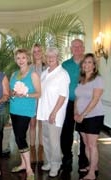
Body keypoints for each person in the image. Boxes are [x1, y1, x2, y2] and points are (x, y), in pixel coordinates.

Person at [36, 47, 70, 177]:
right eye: (48, 56)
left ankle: (56, 164)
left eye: (53, 56)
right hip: (44, 112)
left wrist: (54, 113)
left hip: (55, 114)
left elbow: (63, 96)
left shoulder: (62, 74)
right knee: (46, 139)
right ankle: (49, 161)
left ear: (58, 57)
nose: (50, 58)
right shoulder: (45, 73)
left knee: (54, 141)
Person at [10, 48, 41, 180]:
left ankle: (29, 169)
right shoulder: (14, 74)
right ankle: (23, 164)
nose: (21, 60)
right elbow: (11, 90)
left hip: (26, 110)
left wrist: (26, 94)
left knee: (20, 138)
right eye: (18, 58)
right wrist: (12, 93)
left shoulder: (33, 74)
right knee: (18, 137)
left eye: (23, 57)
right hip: (14, 109)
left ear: (28, 59)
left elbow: (39, 93)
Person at [74, 53, 104, 180]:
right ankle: (94, 166)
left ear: (94, 65)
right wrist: (76, 113)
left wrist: (83, 115)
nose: (86, 64)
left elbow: (95, 99)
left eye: (90, 62)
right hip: (80, 116)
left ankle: (91, 173)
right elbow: (77, 98)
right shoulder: (81, 80)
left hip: (93, 116)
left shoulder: (98, 79)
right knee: (86, 144)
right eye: (85, 62)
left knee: (92, 145)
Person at [61, 39, 88, 172]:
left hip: (85, 104)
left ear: (83, 48)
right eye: (74, 47)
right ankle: (67, 158)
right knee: (66, 132)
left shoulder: (88, 63)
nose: (77, 49)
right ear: (71, 49)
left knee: (84, 132)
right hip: (68, 103)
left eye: (79, 46)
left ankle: (83, 159)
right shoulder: (65, 65)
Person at [29, 43, 46, 163]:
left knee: (42, 125)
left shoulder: (48, 67)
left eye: (39, 50)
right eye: (34, 51)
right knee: (32, 125)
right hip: (32, 99)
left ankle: (41, 149)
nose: (37, 53)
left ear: (42, 52)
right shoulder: (30, 67)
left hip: (44, 99)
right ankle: (32, 149)